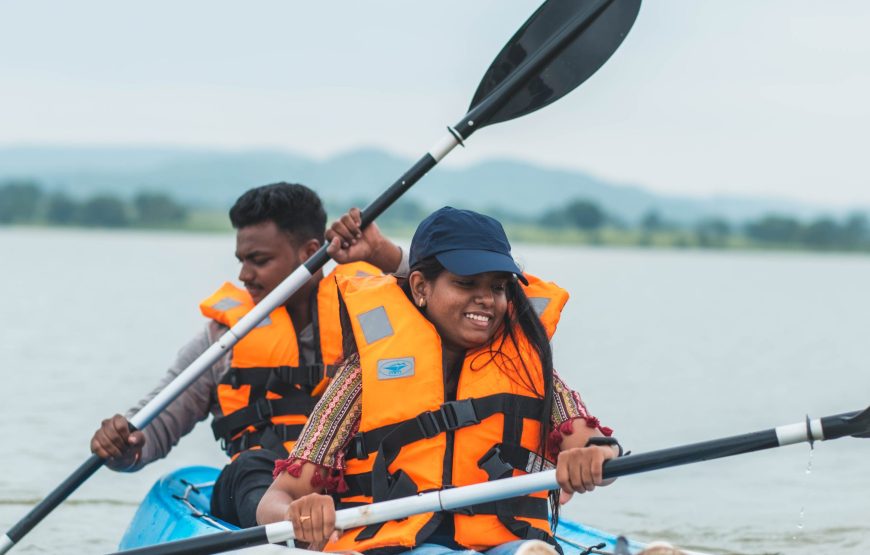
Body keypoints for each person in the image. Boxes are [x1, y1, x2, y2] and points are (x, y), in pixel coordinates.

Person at [257, 206, 621, 555]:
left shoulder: (531, 369)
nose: (486, 299)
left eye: (498, 287)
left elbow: (599, 447)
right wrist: (297, 513)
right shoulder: (363, 376)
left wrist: (595, 456)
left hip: (509, 544)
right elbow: (275, 499)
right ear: (420, 287)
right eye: (466, 283)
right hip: (397, 547)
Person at [89, 183, 406, 528]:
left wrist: (382, 252)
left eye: (259, 261)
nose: (244, 276)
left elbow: (434, 300)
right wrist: (126, 447)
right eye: (241, 261)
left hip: (347, 483)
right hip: (256, 487)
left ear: (310, 252)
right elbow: (156, 426)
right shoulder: (223, 339)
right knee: (248, 467)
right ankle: (293, 527)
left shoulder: (370, 314)